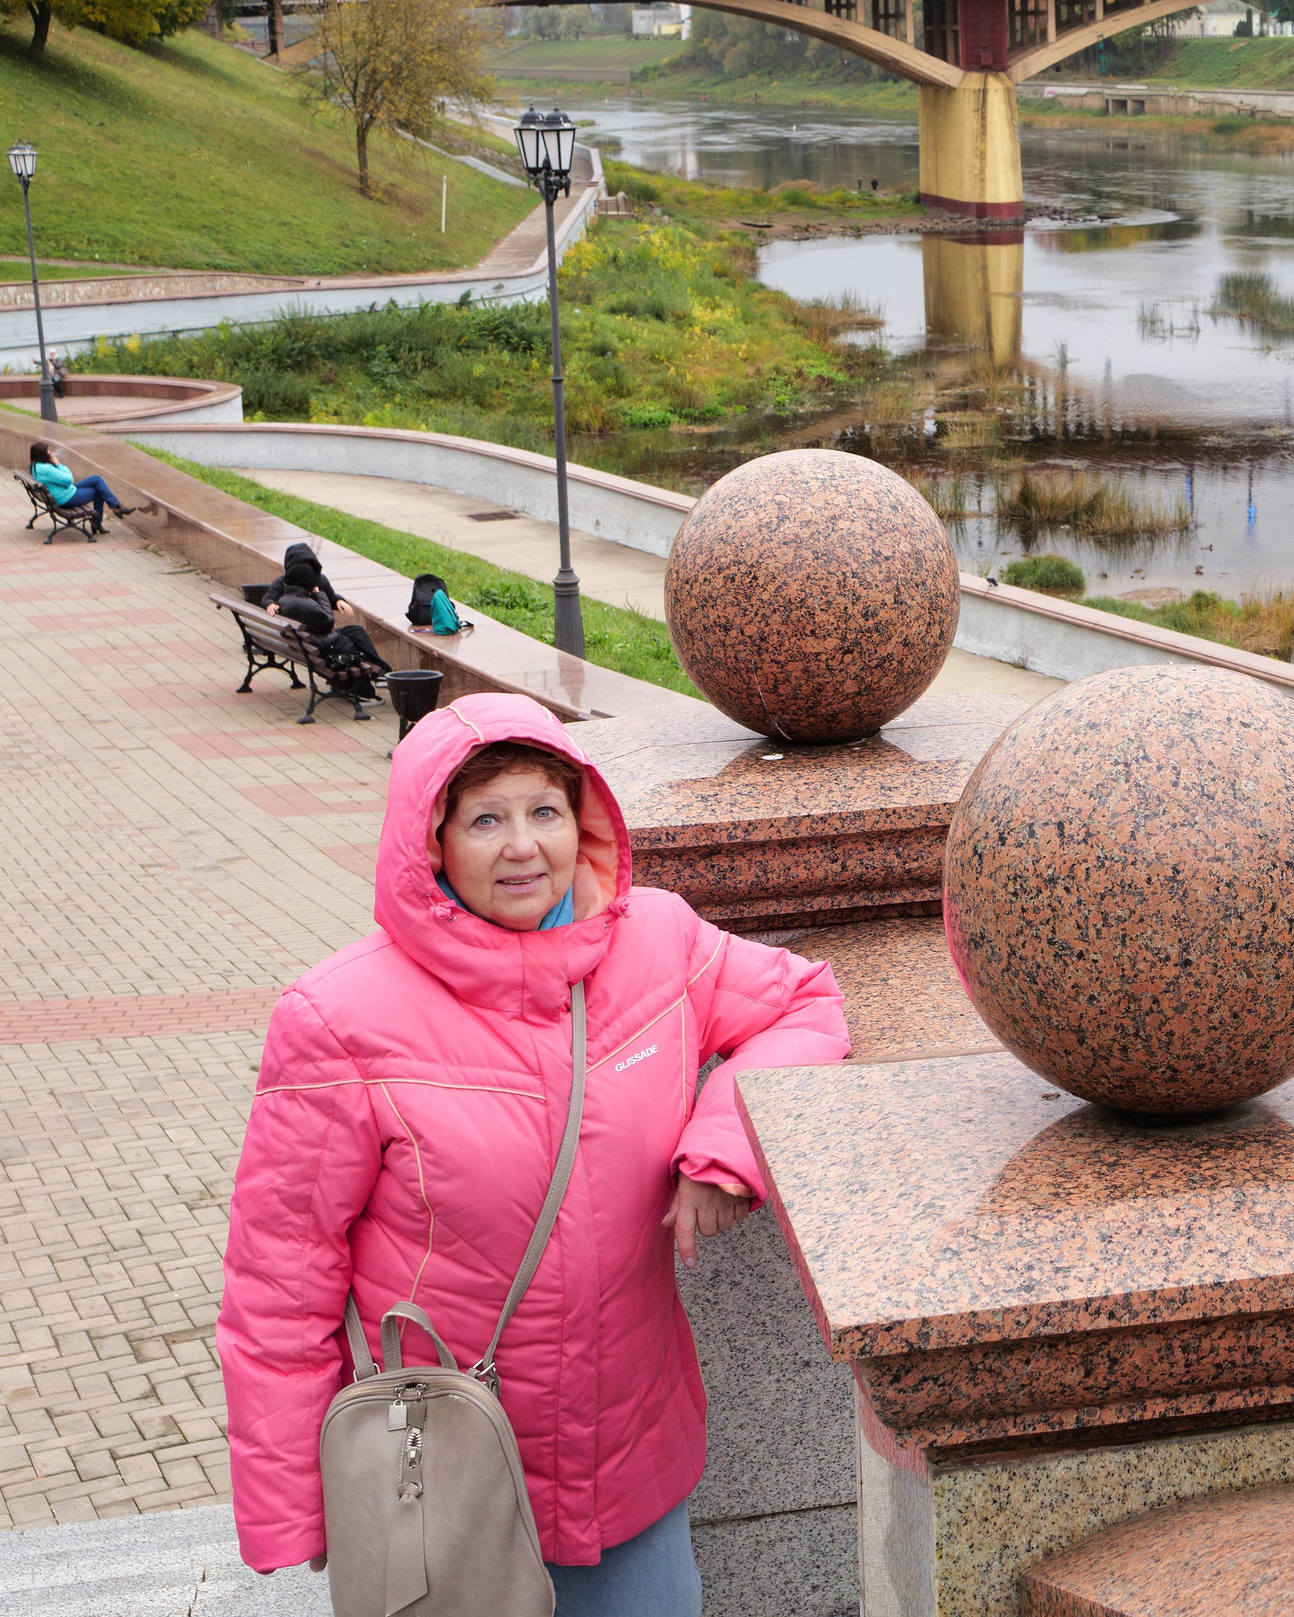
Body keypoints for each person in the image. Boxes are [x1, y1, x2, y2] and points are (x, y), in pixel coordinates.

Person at [216, 695, 850, 1613]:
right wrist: (295, 1509)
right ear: (429, 844)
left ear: (580, 820)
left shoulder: (658, 940)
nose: (523, 846)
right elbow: (280, 1278)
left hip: (630, 1463)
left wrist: (723, 1146)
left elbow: (807, 1004)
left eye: (544, 811)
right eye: (486, 818)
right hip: (449, 1477)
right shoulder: (337, 1020)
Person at [262, 542, 392, 682]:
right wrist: (270, 603)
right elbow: (269, 598)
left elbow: (330, 596)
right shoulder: (284, 583)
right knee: (354, 639)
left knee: (357, 631)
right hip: (318, 637)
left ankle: (379, 670)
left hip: (317, 634)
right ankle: (381, 672)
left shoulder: (319, 580)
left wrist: (339, 601)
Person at [27, 442, 129, 524]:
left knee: (96, 479)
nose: (51, 453)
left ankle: (116, 506)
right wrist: (57, 463)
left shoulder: (36, 465)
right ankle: (98, 521)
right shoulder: (46, 469)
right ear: (43, 454)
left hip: (61, 492)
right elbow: (69, 479)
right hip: (65, 498)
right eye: (48, 451)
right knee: (99, 491)